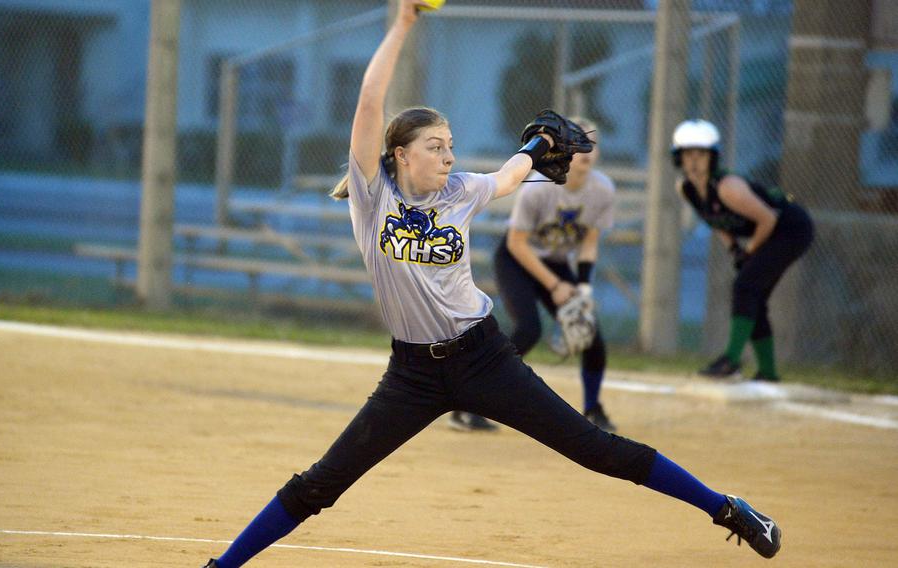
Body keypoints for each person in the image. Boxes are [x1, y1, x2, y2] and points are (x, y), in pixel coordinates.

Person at [201, 4, 781, 565]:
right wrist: (403, 20)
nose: (448, 156)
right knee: (321, 484)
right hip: (412, 376)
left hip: (484, 357)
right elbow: (370, 100)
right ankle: (222, 567)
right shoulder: (374, 193)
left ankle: (725, 508)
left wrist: (534, 149)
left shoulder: (461, 192)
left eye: (451, 146)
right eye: (435, 147)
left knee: (594, 449)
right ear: (400, 155)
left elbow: (509, 175)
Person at [492, 118, 617, 431]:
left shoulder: (602, 190)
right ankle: (473, 400)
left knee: (590, 336)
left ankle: (593, 408)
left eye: (591, 144)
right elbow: (516, 244)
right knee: (528, 329)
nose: (586, 151)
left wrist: (584, 290)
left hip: (558, 263)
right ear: (564, 150)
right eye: (577, 142)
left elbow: (589, 244)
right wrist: (555, 285)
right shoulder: (539, 186)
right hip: (517, 260)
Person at [671, 119, 814, 381]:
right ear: (677, 157)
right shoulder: (686, 189)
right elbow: (714, 219)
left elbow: (768, 219)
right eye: (687, 154)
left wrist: (749, 253)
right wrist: (734, 249)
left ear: (712, 157)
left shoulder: (728, 187)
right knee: (753, 296)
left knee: (745, 287)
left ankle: (731, 361)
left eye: (700, 154)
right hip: (769, 231)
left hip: (791, 228)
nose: (693, 161)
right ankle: (768, 373)